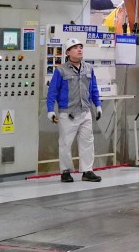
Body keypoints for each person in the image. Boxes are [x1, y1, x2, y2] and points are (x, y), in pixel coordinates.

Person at [46, 38, 103, 183]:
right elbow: (52, 91)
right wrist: (50, 110)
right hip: (68, 114)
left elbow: (94, 88)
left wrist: (98, 105)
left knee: (87, 142)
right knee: (65, 143)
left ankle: (87, 171)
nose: (79, 50)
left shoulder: (88, 68)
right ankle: (66, 171)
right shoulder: (61, 70)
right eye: (75, 47)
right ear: (68, 52)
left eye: (80, 47)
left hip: (85, 112)